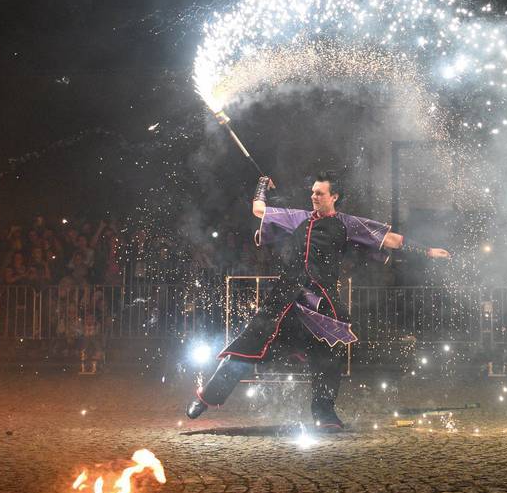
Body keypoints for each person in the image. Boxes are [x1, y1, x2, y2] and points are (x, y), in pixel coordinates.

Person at [186, 172, 450, 429]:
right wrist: (262, 183)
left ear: (334, 196)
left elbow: (390, 239)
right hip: (282, 300)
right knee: (246, 346)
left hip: (320, 303)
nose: (313, 196)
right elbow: (259, 210)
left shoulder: (348, 224)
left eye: (319, 193)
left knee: (327, 358)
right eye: (312, 192)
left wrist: (426, 250)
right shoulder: (297, 218)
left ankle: (324, 413)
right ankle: (207, 398)